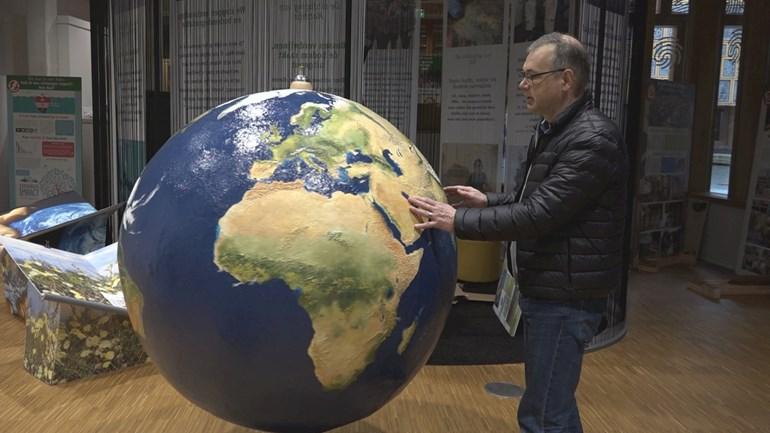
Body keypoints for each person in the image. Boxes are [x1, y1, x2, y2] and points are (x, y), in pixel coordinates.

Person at [408, 32, 627, 433]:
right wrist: (487, 201)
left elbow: (539, 215)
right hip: (550, 288)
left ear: (565, 79)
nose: (522, 85)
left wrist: (454, 221)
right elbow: (540, 199)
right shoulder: (556, 130)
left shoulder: (592, 139)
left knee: (544, 414)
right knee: (550, 403)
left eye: (531, 76)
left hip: (566, 297)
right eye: (522, 75)